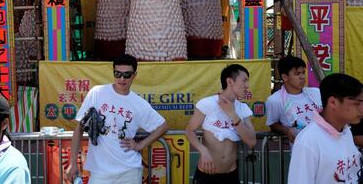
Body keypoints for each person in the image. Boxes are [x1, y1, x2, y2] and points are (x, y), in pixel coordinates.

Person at [67, 54, 168, 184]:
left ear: (134, 75)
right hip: (100, 172)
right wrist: (73, 162)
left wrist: (140, 145)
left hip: (129, 171)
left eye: (127, 75)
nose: (121, 78)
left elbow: (163, 126)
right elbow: (79, 127)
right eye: (117, 74)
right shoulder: (97, 93)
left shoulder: (139, 104)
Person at [185, 64, 256, 184]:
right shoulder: (207, 103)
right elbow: (189, 131)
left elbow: (251, 142)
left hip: (231, 174)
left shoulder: (243, 109)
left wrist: (233, 114)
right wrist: (203, 151)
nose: (247, 86)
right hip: (207, 173)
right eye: (244, 81)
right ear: (230, 81)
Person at [288, 73, 363, 184]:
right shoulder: (308, 141)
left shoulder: (346, 131)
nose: (362, 109)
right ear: (333, 102)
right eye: (357, 103)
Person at [265, 55, 322, 143]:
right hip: (301, 147)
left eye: (303, 72)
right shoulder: (274, 100)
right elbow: (273, 124)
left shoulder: (316, 93)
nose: (302, 77)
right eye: (297, 74)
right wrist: (287, 130)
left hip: (323, 141)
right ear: (285, 77)